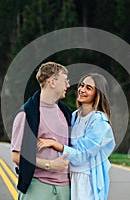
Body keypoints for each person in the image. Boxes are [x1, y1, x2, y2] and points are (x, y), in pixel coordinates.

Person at [37, 73, 115, 200]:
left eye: (88, 88)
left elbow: (82, 156)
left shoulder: (99, 122)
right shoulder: (75, 116)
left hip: (85, 180)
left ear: (98, 94)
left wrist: (55, 144)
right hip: (69, 176)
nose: (82, 90)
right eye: (81, 85)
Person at [10, 61, 72, 200]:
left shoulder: (66, 112)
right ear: (52, 82)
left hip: (66, 188)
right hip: (37, 187)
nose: (68, 85)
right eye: (65, 81)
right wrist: (50, 164)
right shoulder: (27, 113)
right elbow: (16, 156)